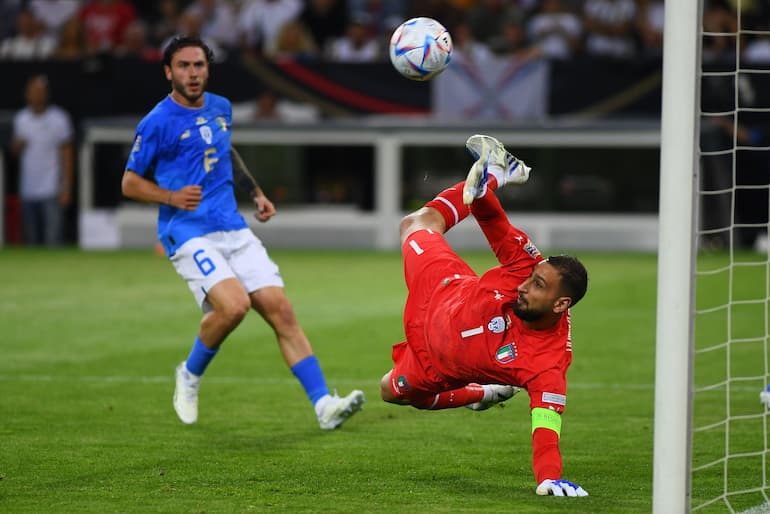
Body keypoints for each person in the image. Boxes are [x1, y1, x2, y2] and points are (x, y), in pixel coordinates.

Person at [120, 35, 365, 430]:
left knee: (282, 312)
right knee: (234, 306)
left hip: (232, 226)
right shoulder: (157, 122)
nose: (192, 73)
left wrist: (255, 192)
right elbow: (129, 183)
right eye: (183, 66)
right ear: (168, 72)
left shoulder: (221, 107)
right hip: (186, 230)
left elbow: (225, 152)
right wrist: (169, 195)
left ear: (207, 69)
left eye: (198, 65)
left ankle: (324, 406)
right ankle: (190, 373)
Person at [379, 134, 590, 497]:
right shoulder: (527, 263)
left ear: (561, 305)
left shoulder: (548, 364)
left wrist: (548, 478)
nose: (525, 286)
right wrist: (485, 182)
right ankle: (497, 169)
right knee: (415, 223)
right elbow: (489, 215)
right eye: (530, 279)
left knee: (390, 391)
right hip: (442, 286)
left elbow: (545, 426)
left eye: (538, 285)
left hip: (435, 365)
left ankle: (483, 393)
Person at [11, 74, 74, 246]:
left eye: (40, 91)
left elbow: (67, 155)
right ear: (27, 94)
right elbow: (14, 153)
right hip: (28, 189)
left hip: (51, 189)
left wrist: (66, 187)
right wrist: (17, 145)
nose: (37, 95)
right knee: (31, 241)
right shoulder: (21, 119)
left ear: (47, 94)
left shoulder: (59, 118)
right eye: (33, 91)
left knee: (53, 240)